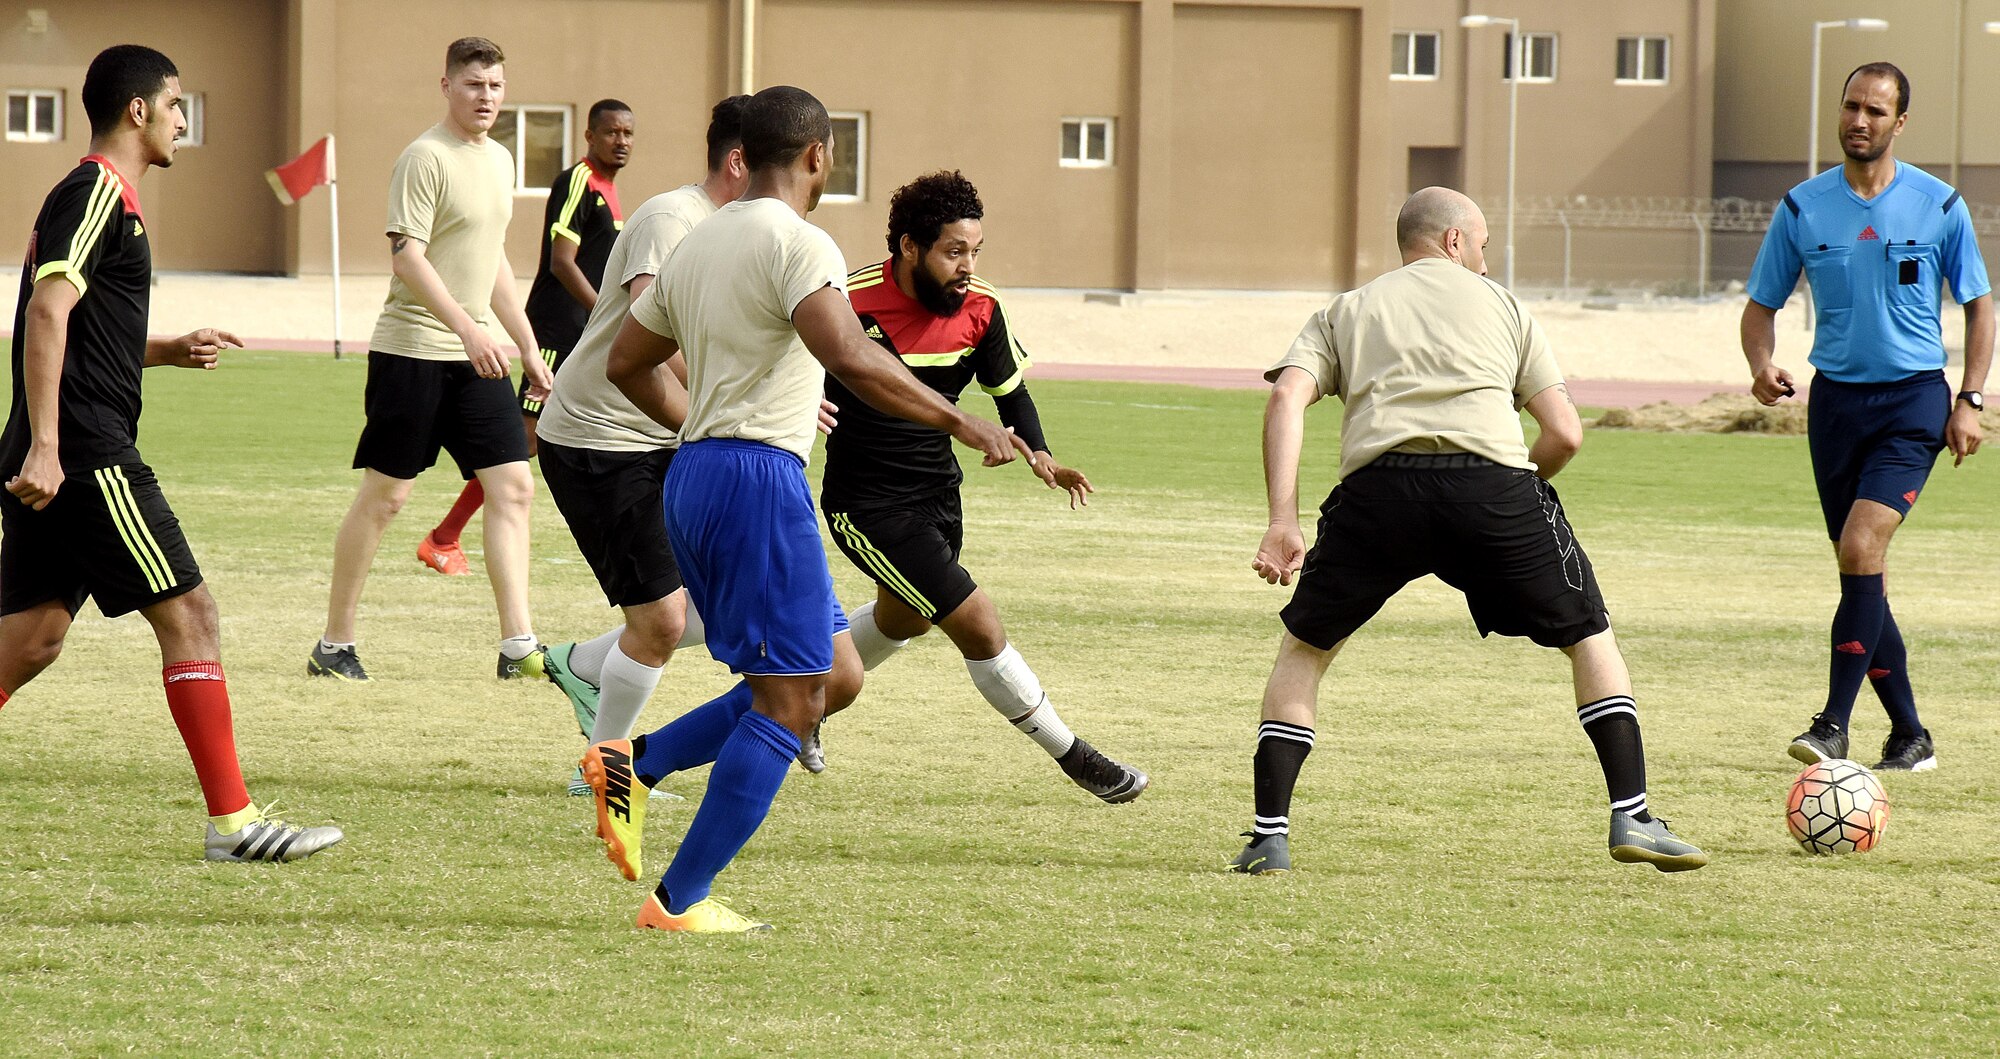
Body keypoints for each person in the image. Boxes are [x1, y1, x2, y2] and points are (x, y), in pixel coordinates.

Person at [582, 85, 1026, 934]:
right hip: (756, 482)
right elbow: (849, 353)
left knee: (836, 674)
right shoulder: (800, 240)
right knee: (789, 704)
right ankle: (680, 900)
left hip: (697, 479)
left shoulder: (699, 241)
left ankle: (633, 763)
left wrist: (704, 432)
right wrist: (959, 417)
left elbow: (628, 362)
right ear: (820, 155)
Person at [1233, 187, 1706, 877]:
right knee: (1587, 634)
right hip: (1492, 488)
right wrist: (1518, 487)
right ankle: (1632, 813)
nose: (1487, 260)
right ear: (1455, 241)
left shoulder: (1347, 309)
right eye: (1483, 245)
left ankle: (1268, 837)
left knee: (1306, 648)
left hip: (1378, 491)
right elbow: (1565, 433)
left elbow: (1286, 397)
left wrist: (1283, 519)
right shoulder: (1506, 306)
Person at [0, 45, 342, 862]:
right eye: (177, 104)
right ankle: (235, 825)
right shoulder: (95, 191)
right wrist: (50, 445)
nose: (184, 120)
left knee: (31, 638)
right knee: (192, 614)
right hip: (86, 456)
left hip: (68, 448)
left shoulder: (109, 199)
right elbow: (46, 315)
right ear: (138, 111)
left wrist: (163, 348)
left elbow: (85, 326)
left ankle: (234, 824)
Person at [809, 170, 1145, 802]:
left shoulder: (982, 306)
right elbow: (790, 367)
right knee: (979, 624)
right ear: (909, 247)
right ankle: (1076, 757)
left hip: (938, 492)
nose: (967, 266)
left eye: (975, 251)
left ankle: (798, 710)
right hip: (867, 502)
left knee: (903, 617)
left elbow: (1009, 391)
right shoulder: (847, 301)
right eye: (953, 251)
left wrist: (1043, 454)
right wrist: (804, 407)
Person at [1742, 62, 1992, 773]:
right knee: (1863, 572)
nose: (1860, 120)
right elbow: (1760, 308)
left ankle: (1831, 725)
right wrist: (1761, 364)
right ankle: (1910, 734)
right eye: (1851, 107)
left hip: (1914, 402)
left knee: (1860, 548)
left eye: (1876, 111)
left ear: (1900, 123)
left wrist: (1970, 399)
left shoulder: (1941, 206)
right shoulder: (1801, 207)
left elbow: (1979, 306)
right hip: (1836, 406)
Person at [307, 37, 556, 682]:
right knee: (387, 497)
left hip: (479, 357)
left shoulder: (500, 161)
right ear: (446, 85)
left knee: (513, 487)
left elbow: (492, 259)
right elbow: (407, 257)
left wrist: (524, 343)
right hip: (412, 352)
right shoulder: (424, 157)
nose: (487, 97)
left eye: (496, 85)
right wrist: (468, 331)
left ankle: (518, 646)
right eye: (474, 85)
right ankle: (335, 645)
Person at [535, 95, 751, 796]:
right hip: (602, 437)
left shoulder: (737, 233)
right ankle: (603, 769)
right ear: (741, 161)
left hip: (666, 436)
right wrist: (722, 407)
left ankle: (581, 665)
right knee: (660, 620)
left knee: (710, 610)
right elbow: (650, 340)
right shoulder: (671, 220)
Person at [420, 98, 635, 576]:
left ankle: (447, 536)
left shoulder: (610, 189)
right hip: (558, 327)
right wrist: (605, 309)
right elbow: (563, 261)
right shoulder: (577, 181)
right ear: (590, 136)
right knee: (525, 439)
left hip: (582, 330)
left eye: (627, 134)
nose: (621, 141)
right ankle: (444, 538)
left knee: (571, 429)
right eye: (611, 132)